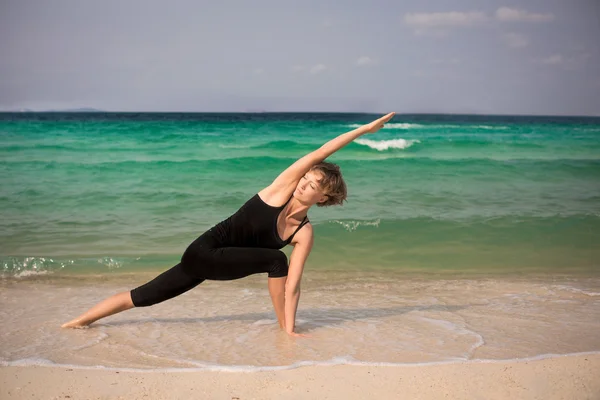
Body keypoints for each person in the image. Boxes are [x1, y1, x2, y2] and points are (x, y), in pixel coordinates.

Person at [61, 112, 396, 336]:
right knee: (275, 259)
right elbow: (321, 151)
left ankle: (78, 322)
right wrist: (365, 130)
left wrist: (289, 330)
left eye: (313, 185)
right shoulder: (279, 189)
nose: (304, 183)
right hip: (203, 252)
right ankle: (78, 320)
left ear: (323, 198)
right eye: (306, 178)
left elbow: (292, 286)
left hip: (215, 263)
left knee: (143, 297)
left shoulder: (303, 233)